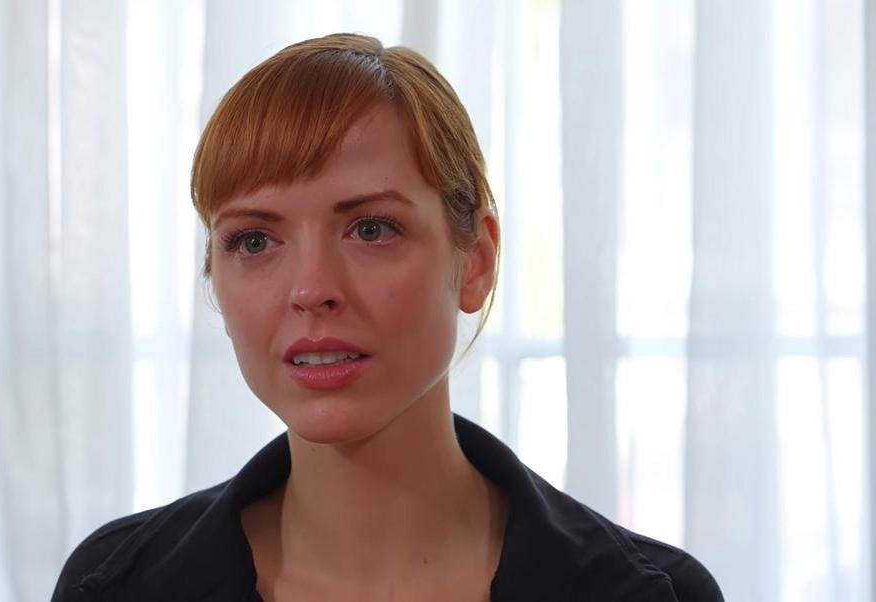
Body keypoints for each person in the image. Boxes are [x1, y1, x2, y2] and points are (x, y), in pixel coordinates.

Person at [52, 33, 722, 601]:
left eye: (371, 229)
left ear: (476, 260)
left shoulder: (654, 593)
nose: (312, 289)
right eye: (254, 241)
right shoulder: (114, 587)